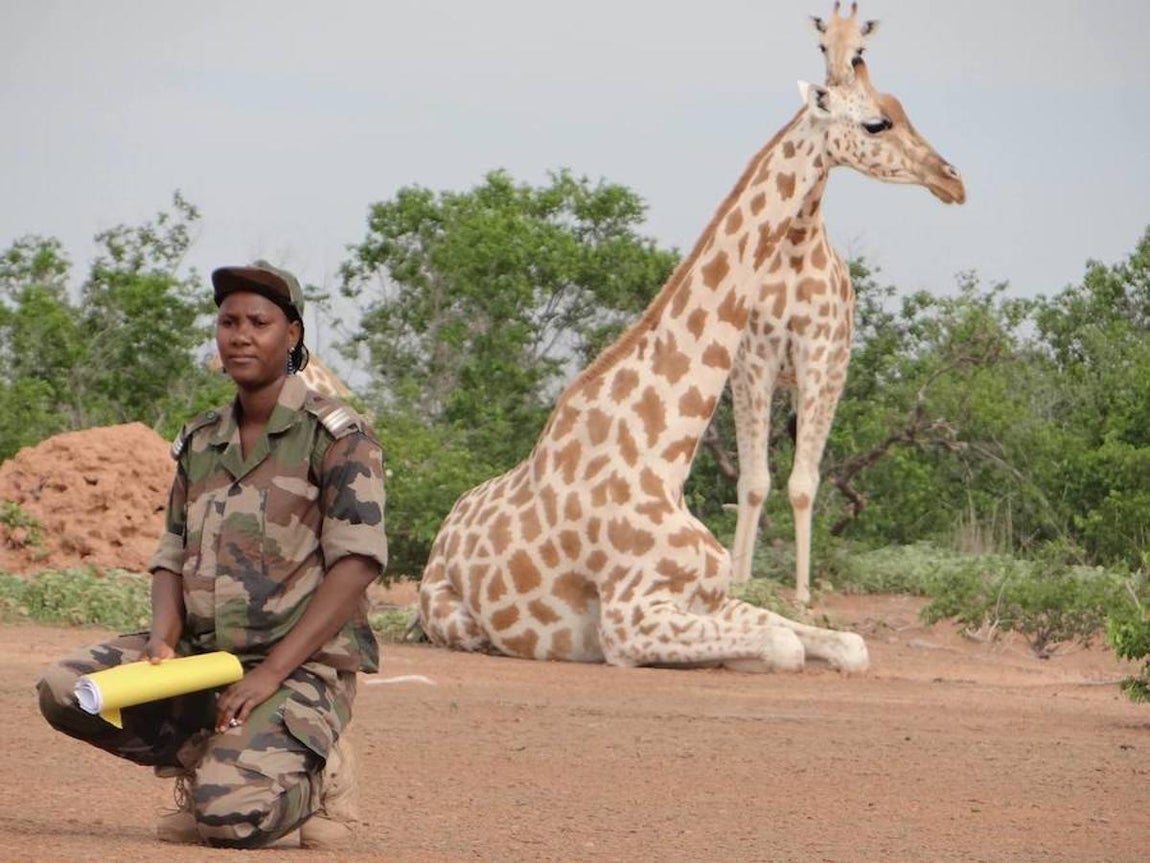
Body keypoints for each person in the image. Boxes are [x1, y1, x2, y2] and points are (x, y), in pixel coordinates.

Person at [36, 260, 387, 849]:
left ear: (292, 335)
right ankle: (207, 762)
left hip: (297, 668)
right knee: (67, 688)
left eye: (259, 322)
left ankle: (320, 772)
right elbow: (171, 553)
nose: (241, 335)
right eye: (228, 322)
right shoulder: (201, 440)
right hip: (206, 660)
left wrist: (271, 673)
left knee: (231, 822)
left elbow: (357, 565)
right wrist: (162, 640)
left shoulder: (337, 438)